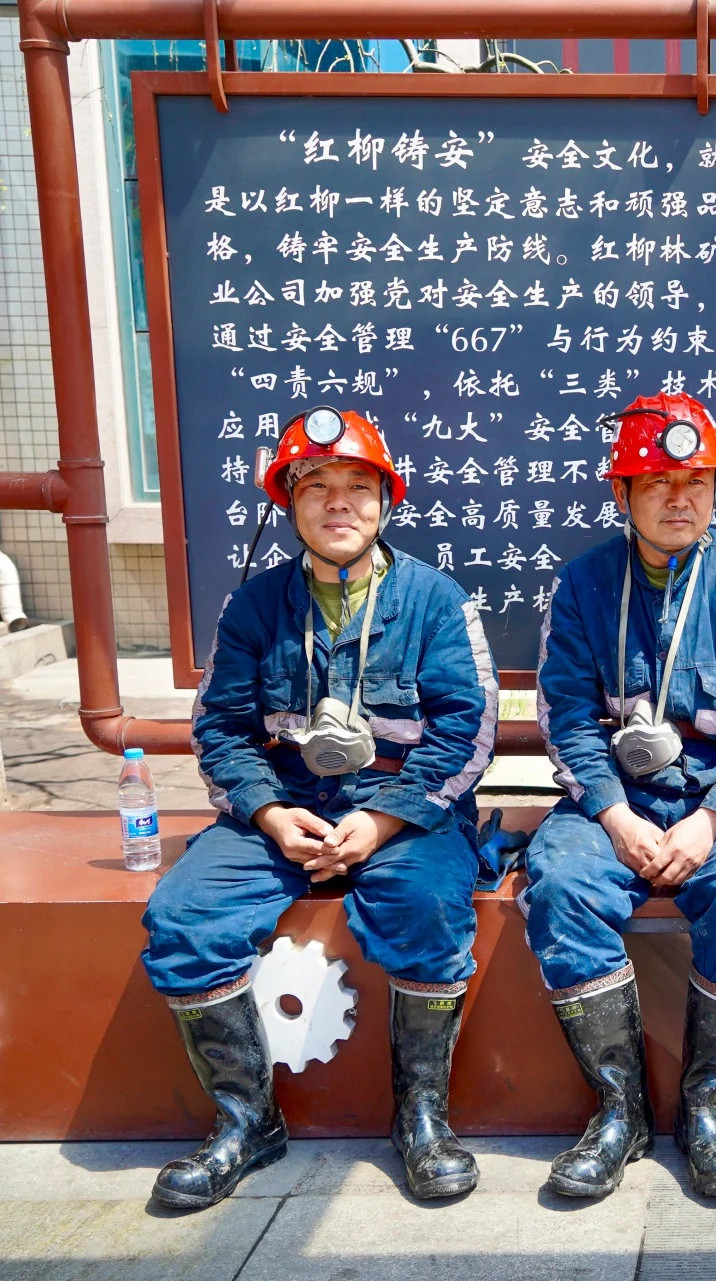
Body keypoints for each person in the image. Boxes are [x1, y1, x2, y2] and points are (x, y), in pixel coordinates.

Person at [141, 406, 497, 1207]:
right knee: (184, 918)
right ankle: (247, 1123)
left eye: (358, 486)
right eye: (316, 486)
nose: (339, 502)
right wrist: (269, 814)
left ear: (386, 499)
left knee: (428, 906)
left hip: (403, 811)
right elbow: (221, 729)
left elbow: (467, 730)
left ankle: (422, 1119)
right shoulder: (254, 606)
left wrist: (384, 819)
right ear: (289, 503)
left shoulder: (435, 600)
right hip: (284, 804)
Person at [525, 391, 716, 1199]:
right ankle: (618, 1111)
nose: (679, 498)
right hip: (617, 801)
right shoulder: (583, 584)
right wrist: (614, 815)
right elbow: (564, 714)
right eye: (656, 482)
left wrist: (710, 819)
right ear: (622, 492)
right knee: (561, 882)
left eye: (696, 482)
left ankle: (705, 1106)